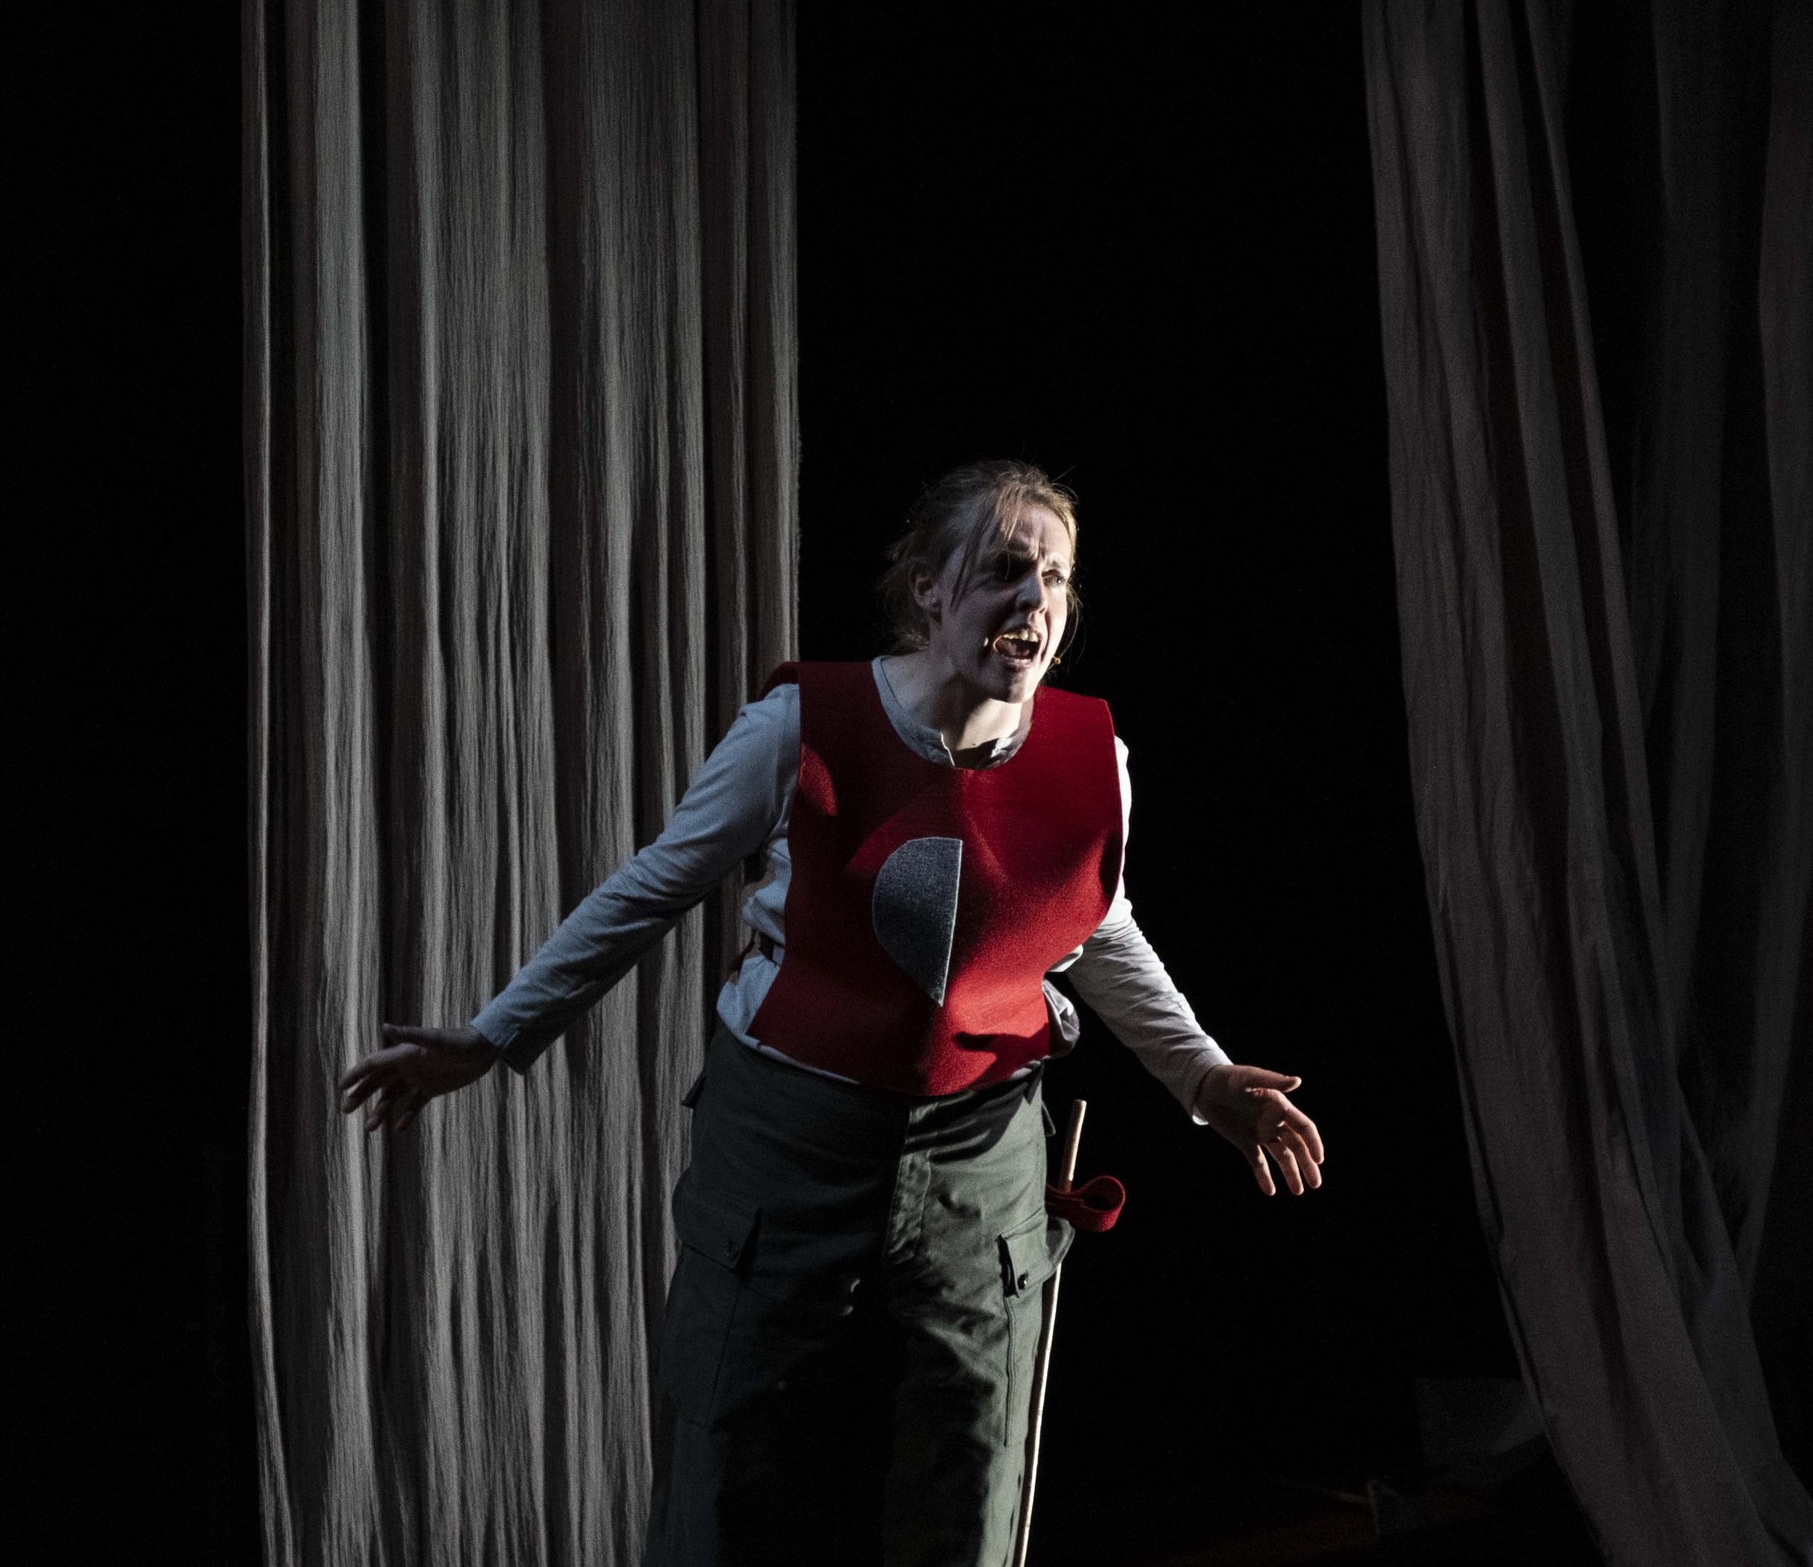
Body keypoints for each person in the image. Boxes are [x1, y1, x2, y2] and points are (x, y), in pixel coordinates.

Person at [339, 460, 1325, 1566]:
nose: (1034, 600)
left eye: (1054, 577)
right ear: (927, 591)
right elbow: (655, 884)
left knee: (965, 1489)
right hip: (788, 1142)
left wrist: (1202, 1074)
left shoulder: (1094, 754)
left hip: (980, 1156)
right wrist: (493, 1033)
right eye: (1003, 569)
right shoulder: (799, 724)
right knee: (738, 1473)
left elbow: (1093, 924)